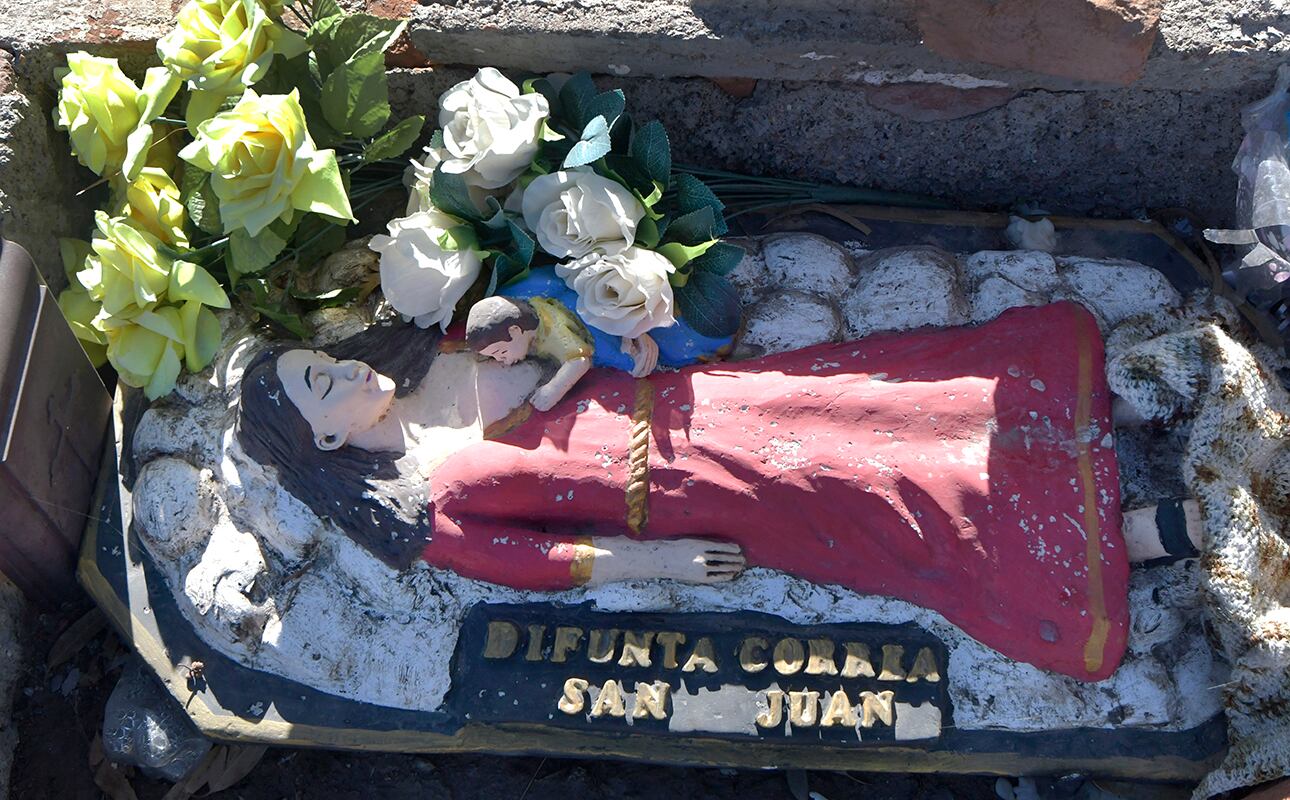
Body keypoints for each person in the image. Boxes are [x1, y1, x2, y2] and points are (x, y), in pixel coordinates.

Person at [237, 302, 1201, 682]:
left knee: (864, 399)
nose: (340, 373)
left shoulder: (436, 350)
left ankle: (1083, 411)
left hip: (692, 399)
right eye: (320, 388)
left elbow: (552, 329)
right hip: (690, 490)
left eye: (323, 360)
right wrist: (655, 560)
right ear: (322, 441)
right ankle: (1145, 533)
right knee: (866, 490)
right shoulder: (424, 510)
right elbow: (536, 563)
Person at [465, 296, 659, 411]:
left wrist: (552, 390)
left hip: (595, 322)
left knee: (628, 361)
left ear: (515, 330)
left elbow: (580, 360)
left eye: (502, 352)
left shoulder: (553, 331)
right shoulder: (520, 316)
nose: (504, 361)